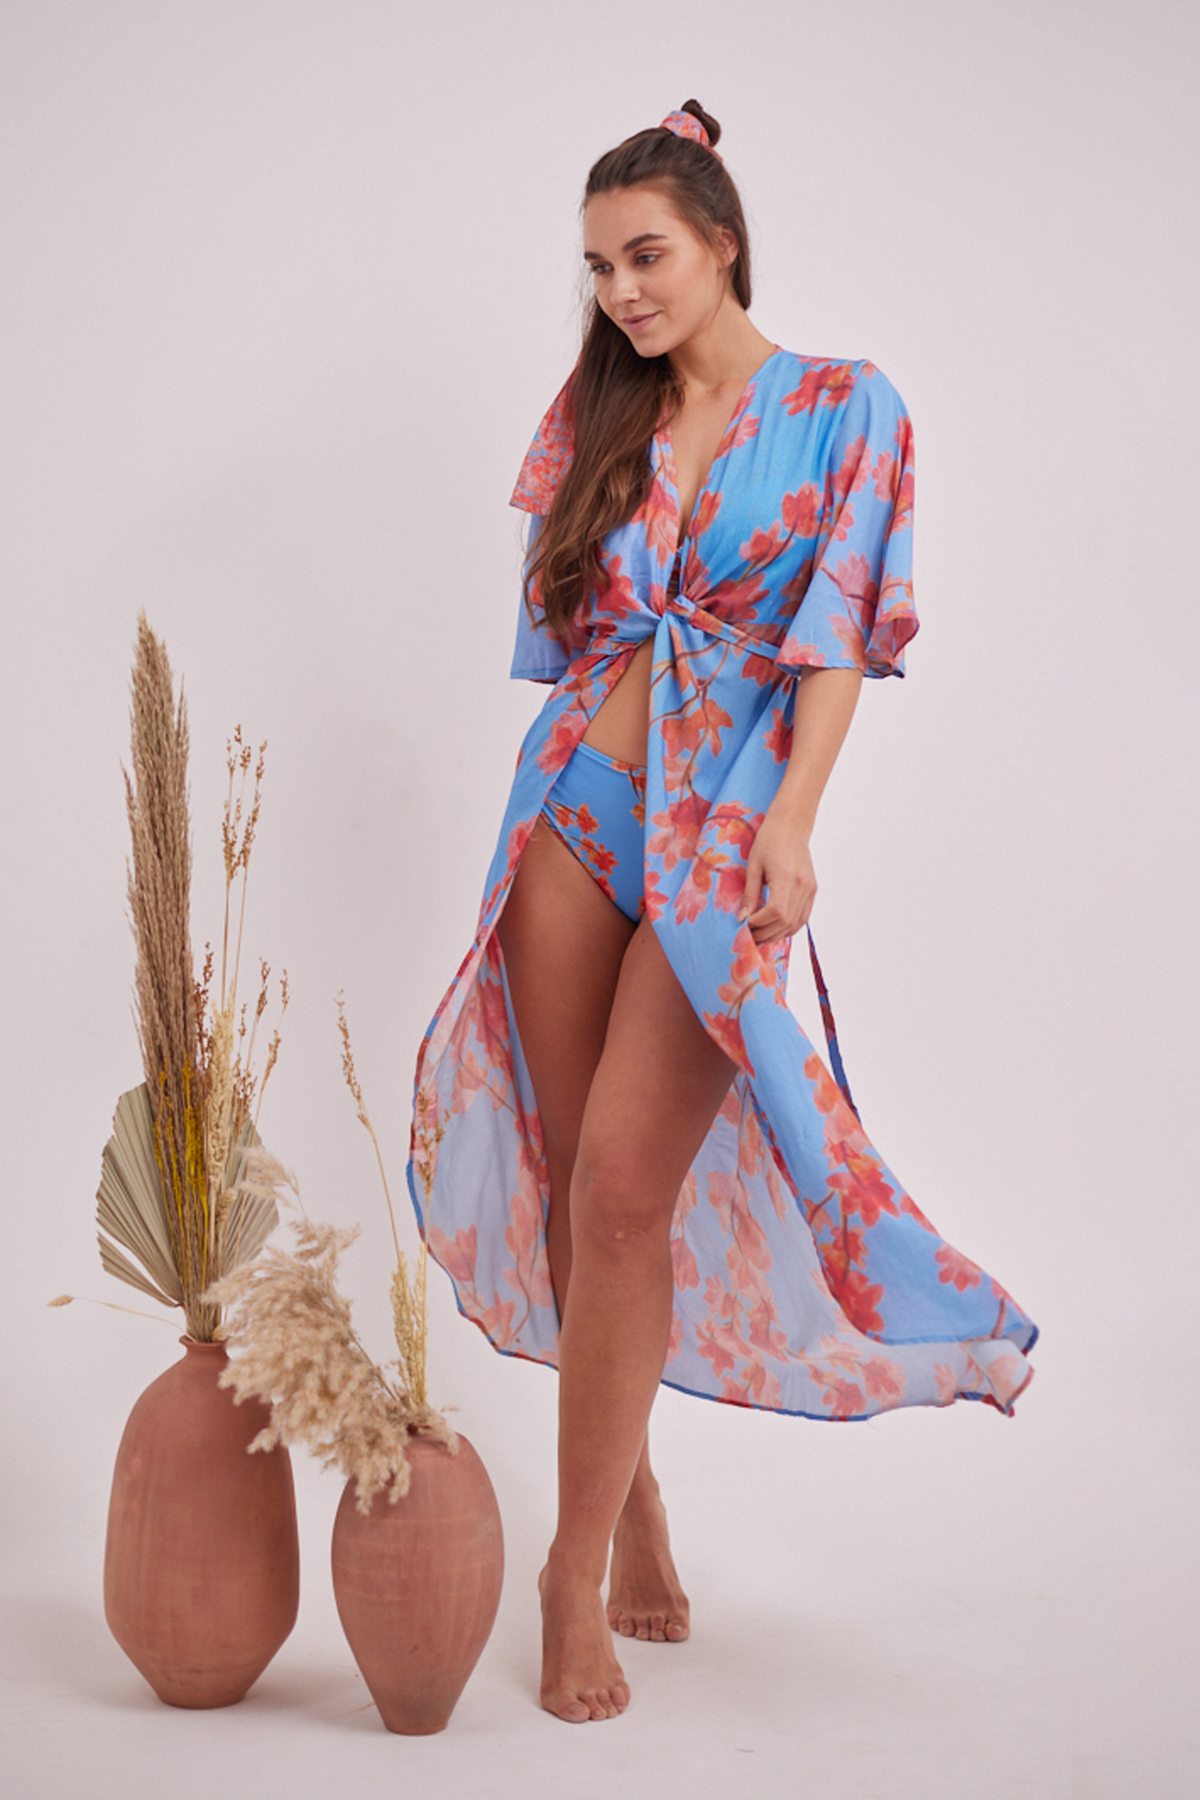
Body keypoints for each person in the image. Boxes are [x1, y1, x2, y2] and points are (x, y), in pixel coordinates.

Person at [407, 101, 1037, 1724]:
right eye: (600, 267)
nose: (622, 290)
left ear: (723, 241)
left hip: (717, 839)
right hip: (571, 813)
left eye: (648, 255)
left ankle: (564, 1570)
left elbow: (840, 633)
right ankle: (628, 1505)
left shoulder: (844, 406)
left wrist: (797, 819)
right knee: (575, 1183)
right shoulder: (602, 418)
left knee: (628, 1190)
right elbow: (571, 637)